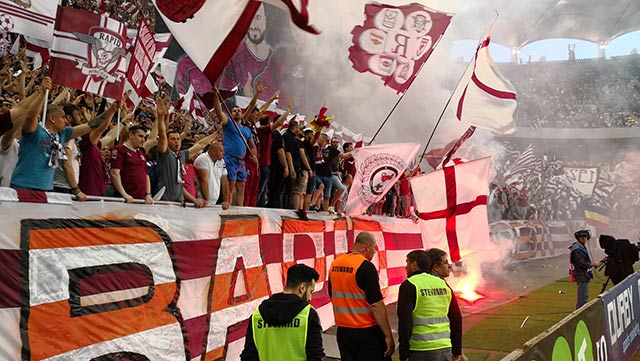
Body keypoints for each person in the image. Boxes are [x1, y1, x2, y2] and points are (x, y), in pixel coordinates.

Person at [328, 231, 395, 361]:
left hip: (343, 331)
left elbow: (332, 294)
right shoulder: (365, 267)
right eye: (373, 250)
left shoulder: (335, 264)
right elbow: (376, 304)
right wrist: (387, 335)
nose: (373, 254)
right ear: (367, 247)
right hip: (366, 331)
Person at [240, 263, 325, 361]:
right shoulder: (308, 314)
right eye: (311, 291)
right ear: (302, 288)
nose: (310, 298)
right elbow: (316, 356)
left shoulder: (257, 315)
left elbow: (249, 356)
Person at [398, 249, 467, 361]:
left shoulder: (409, 284)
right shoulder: (443, 284)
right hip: (444, 348)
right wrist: (457, 350)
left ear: (414, 264)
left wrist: (404, 352)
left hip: (420, 349)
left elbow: (405, 322)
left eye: (407, 263)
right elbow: (456, 318)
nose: (406, 267)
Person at [569, 230, 601, 309]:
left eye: (585, 237)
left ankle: (581, 311)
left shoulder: (580, 247)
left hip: (583, 274)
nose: (584, 238)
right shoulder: (577, 249)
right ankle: (580, 313)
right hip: (581, 274)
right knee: (582, 297)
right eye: (582, 237)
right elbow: (581, 263)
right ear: (578, 238)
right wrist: (592, 264)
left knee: (584, 295)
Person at [194, 141, 230, 209]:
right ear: (213, 152)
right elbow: (203, 180)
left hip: (213, 201)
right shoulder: (203, 159)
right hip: (202, 201)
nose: (223, 153)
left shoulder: (221, 161)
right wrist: (207, 199)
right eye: (221, 151)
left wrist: (226, 201)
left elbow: (225, 182)